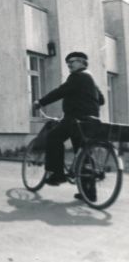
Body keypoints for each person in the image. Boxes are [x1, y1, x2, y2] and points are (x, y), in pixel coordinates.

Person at [32, 51, 105, 200]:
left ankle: (57, 175)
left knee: (53, 137)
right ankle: (89, 194)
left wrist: (40, 102)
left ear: (83, 63)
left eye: (73, 61)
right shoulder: (90, 78)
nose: (69, 64)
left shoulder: (77, 77)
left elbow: (60, 92)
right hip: (90, 122)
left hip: (75, 119)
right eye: (68, 62)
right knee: (83, 153)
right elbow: (102, 99)